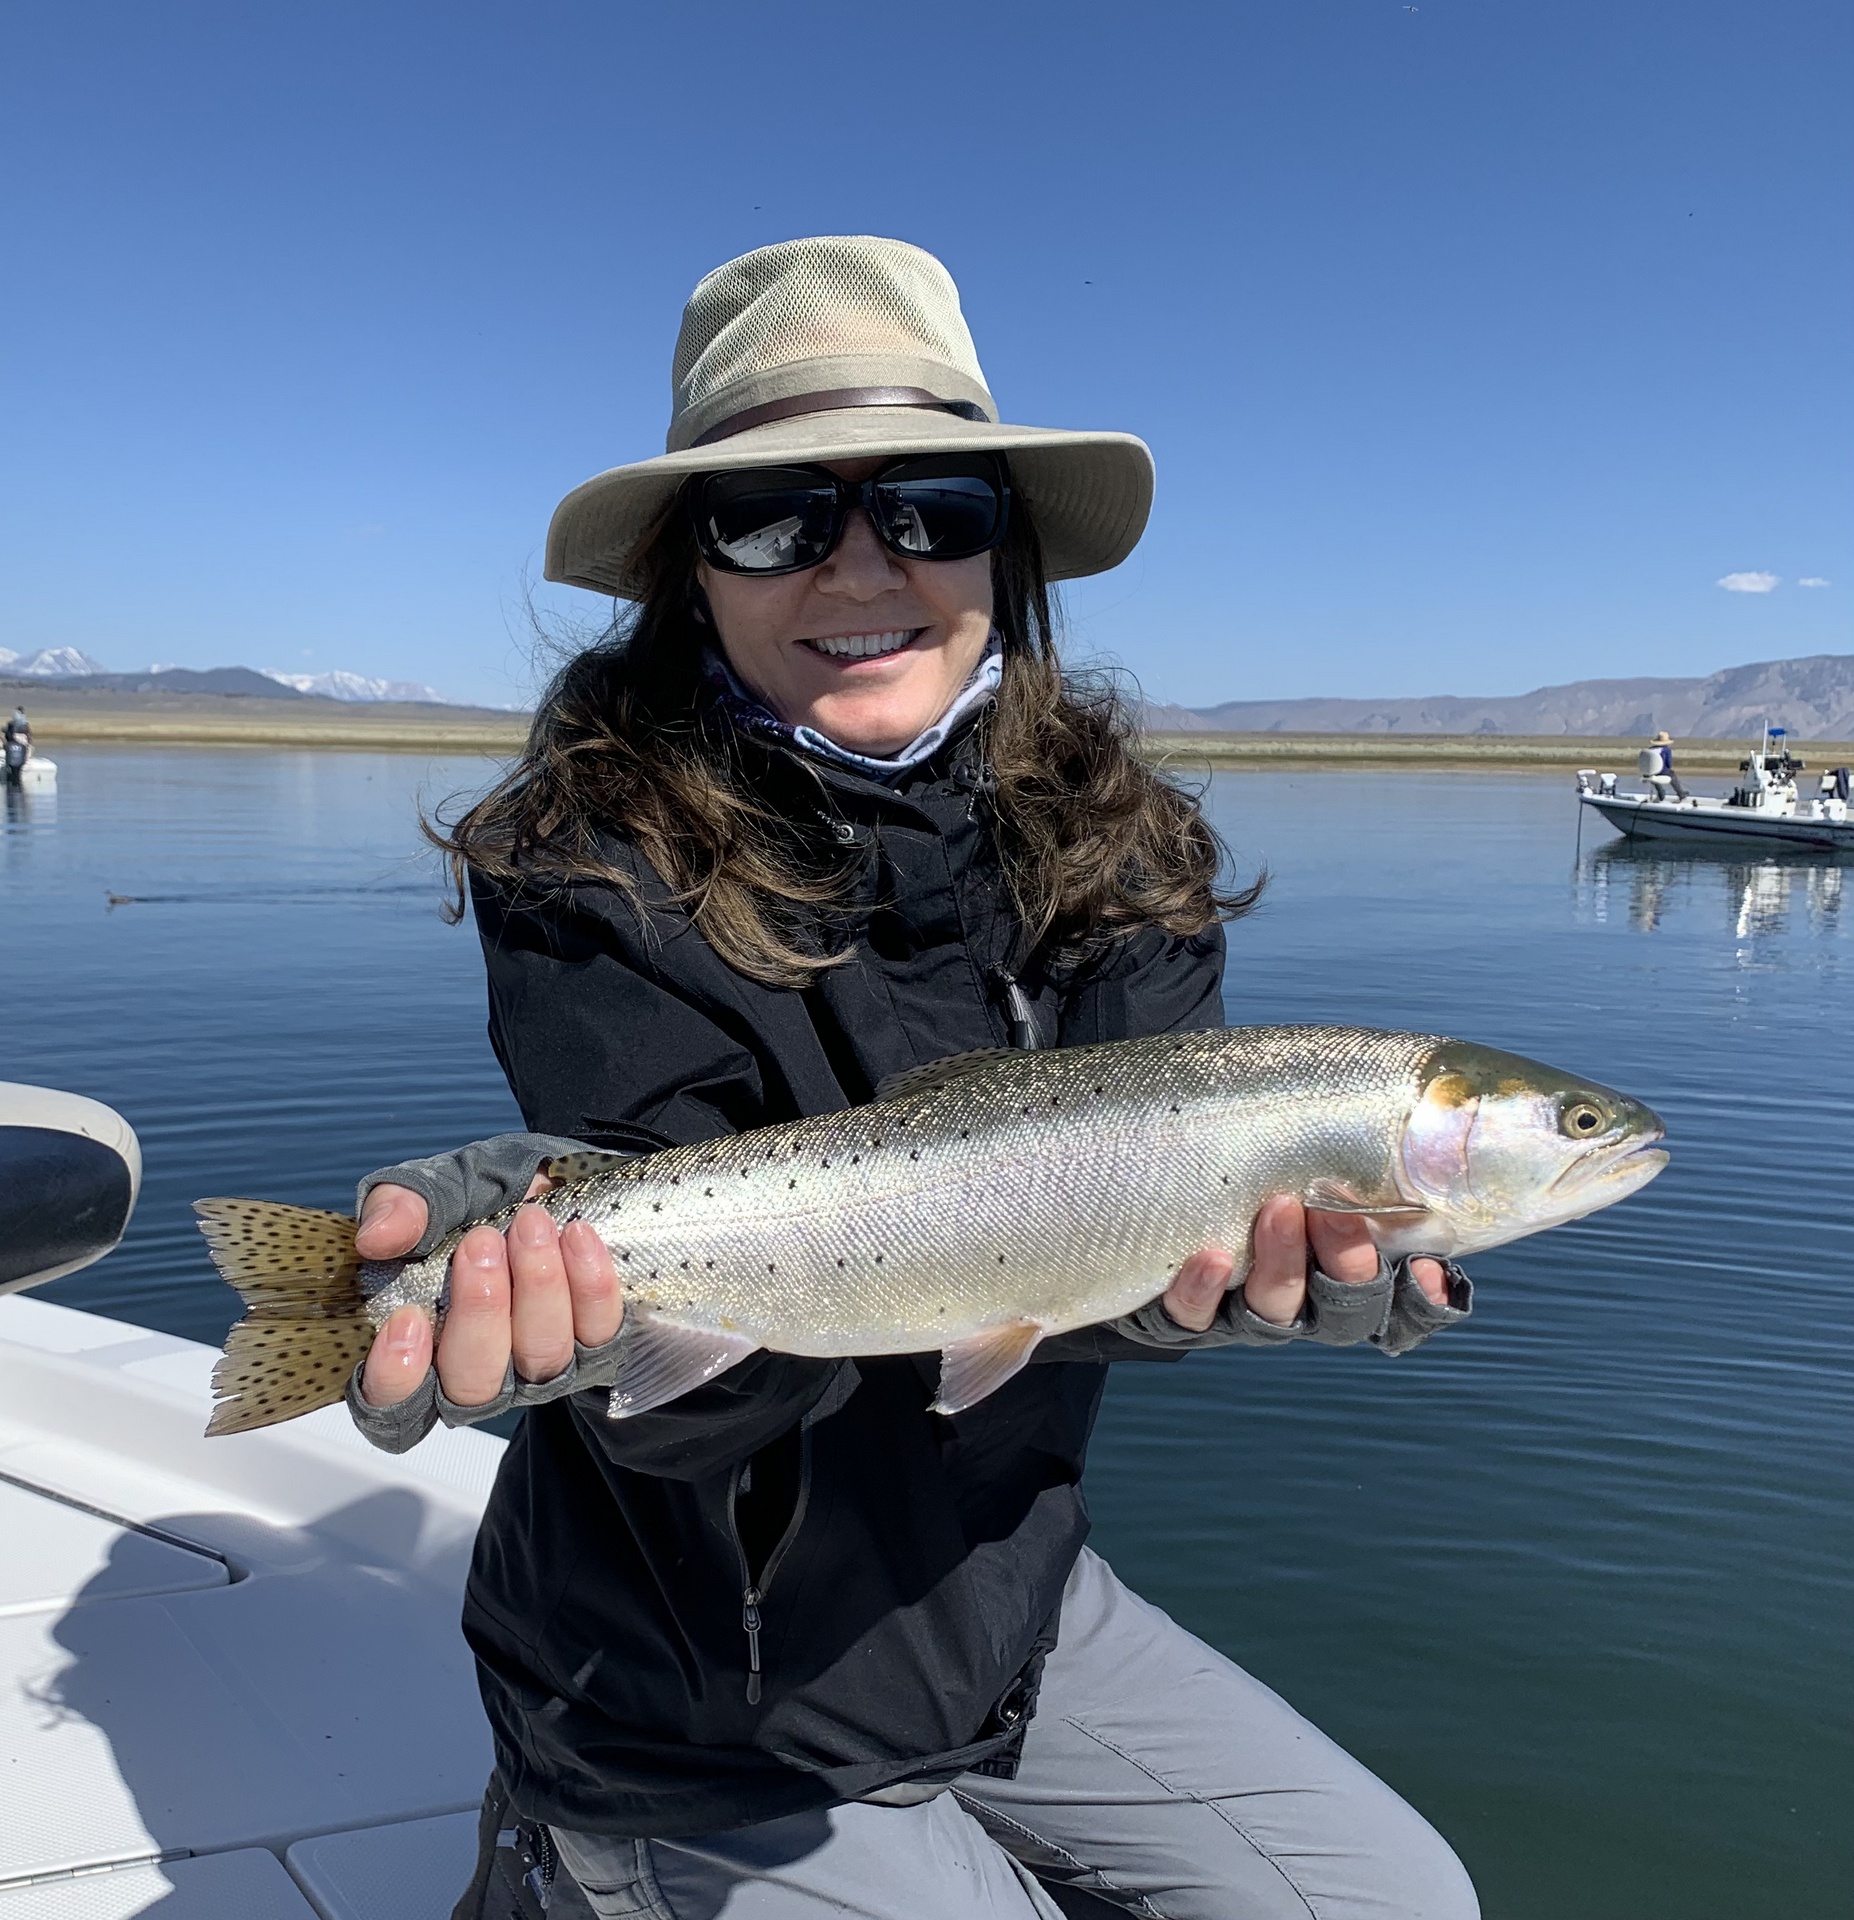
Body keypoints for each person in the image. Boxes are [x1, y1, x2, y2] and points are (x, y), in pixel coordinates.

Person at [346, 238, 1480, 1920]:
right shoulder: (590, 866)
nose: (860, 563)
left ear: (1000, 553)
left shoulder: (1128, 857)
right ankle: (552, 1866)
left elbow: (1077, 1278)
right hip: (676, 1692)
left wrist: (1190, 1306)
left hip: (1004, 1611)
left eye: (930, 506)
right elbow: (701, 1412)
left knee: (1402, 1902)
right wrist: (572, 1301)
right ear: (689, 573)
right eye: (773, 515)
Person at [1648, 729, 1687, 800]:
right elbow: (1669, 764)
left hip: (1649, 772)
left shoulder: (1650, 750)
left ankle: (1660, 793)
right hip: (1662, 771)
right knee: (1672, 775)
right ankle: (1681, 794)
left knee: (1654, 776)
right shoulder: (1666, 750)